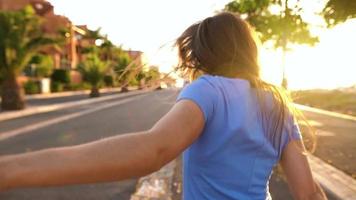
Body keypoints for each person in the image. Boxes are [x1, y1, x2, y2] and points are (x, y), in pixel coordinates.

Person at [0, 12, 327, 200]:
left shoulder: (209, 90)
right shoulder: (277, 103)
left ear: (204, 54)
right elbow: (307, 192)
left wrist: (11, 170)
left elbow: (152, 151)